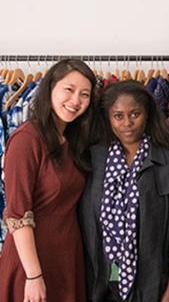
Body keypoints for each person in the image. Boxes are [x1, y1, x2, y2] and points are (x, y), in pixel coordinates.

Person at [78, 80, 169, 302]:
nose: (127, 123)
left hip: (153, 286)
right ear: (108, 118)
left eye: (135, 114)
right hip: (101, 285)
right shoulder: (93, 159)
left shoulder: (168, 161)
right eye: (118, 116)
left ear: (147, 115)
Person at [0, 59, 96, 302]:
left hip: (66, 257)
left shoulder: (73, 140)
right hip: (32, 261)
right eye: (69, 89)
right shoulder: (26, 140)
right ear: (50, 87)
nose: (76, 101)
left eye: (84, 95)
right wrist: (33, 276)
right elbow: (18, 215)